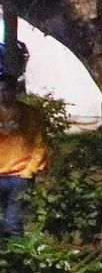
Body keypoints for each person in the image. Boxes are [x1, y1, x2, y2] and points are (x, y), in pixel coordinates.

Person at [0, 73, 48, 241]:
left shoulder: (30, 114)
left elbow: (40, 145)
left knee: (13, 222)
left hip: (20, 176)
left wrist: (29, 171)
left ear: (15, 90)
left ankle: (17, 254)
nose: (3, 94)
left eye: (6, 89)